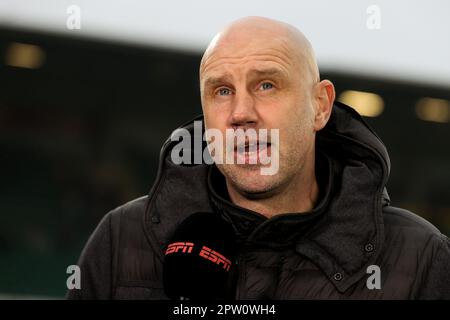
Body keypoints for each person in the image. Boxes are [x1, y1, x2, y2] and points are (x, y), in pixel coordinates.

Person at [67, 16, 450, 299]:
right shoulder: (122, 238)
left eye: (266, 85)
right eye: (221, 91)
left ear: (320, 106)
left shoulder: (419, 257)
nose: (240, 113)